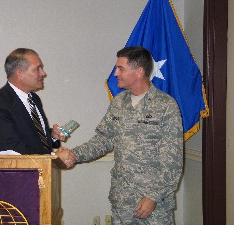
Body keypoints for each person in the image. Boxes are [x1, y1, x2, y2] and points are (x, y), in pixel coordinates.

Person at [57, 46, 183, 224]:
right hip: (122, 201)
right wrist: (74, 155)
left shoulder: (165, 105)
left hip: (154, 206)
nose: (115, 73)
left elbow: (172, 160)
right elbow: (103, 140)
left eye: (121, 68)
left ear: (139, 71)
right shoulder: (118, 102)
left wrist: (153, 197)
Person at [0, 48, 65, 154]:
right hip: (20, 170)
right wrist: (54, 158)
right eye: (37, 69)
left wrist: (52, 136)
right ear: (19, 73)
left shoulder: (34, 99)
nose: (43, 73)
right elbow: (11, 151)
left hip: (42, 169)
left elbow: (32, 138)